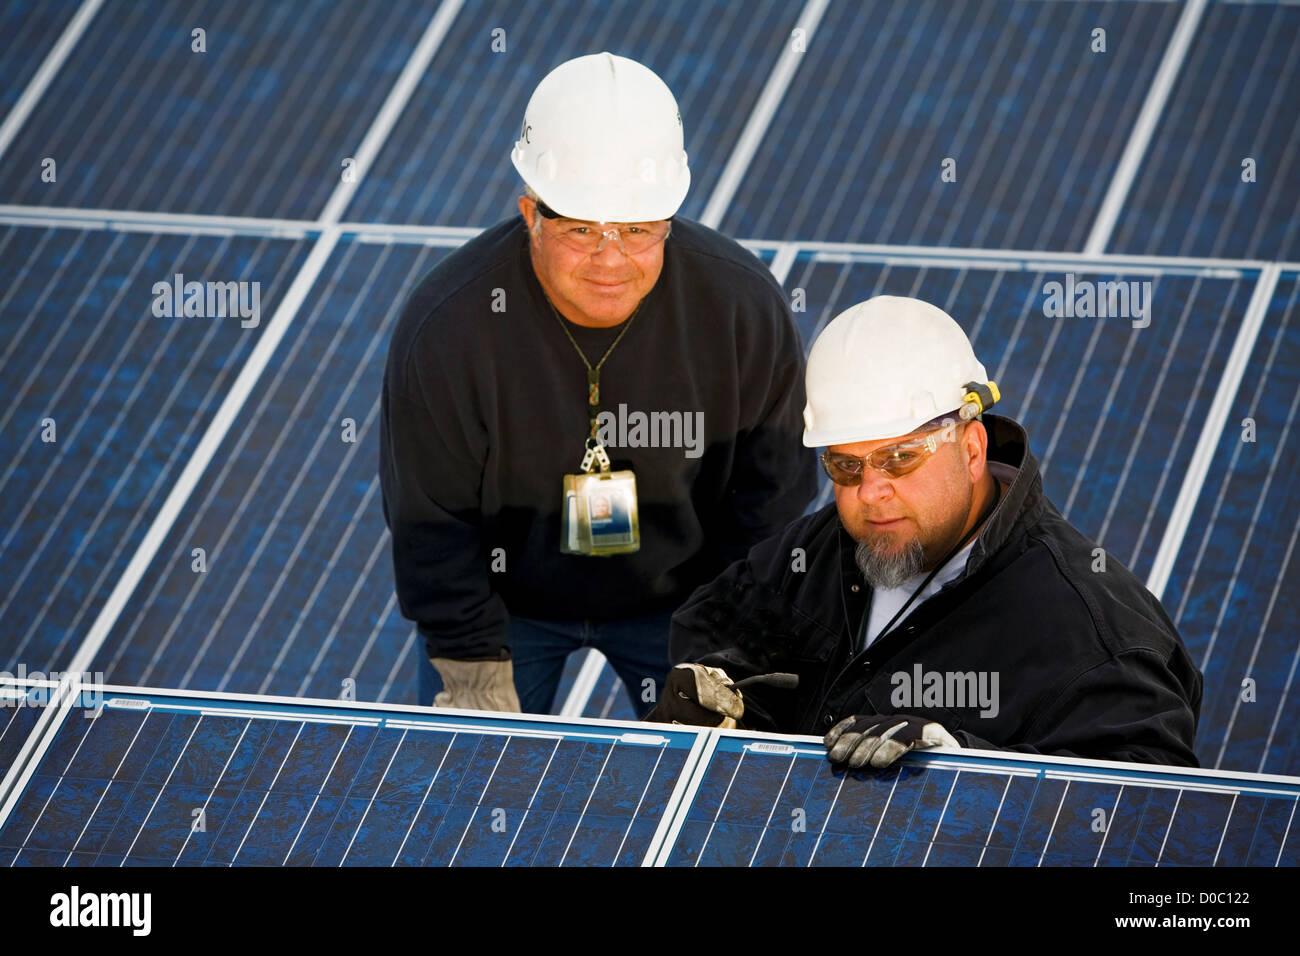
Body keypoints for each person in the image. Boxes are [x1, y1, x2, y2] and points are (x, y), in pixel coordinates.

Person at [378, 52, 817, 716]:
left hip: (685, 606)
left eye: (637, 231)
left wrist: (728, 645)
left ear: (668, 219)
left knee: (720, 800)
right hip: (505, 612)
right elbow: (430, 521)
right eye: (581, 229)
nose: (610, 260)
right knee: (467, 796)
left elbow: (773, 500)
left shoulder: (740, 311)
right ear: (532, 213)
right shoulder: (450, 328)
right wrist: (469, 664)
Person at [649, 295, 1202, 769]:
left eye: (900, 458)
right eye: (845, 466)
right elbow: (718, 627)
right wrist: (729, 697)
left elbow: (1141, 808)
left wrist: (963, 767)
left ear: (972, 449)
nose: (870, 493)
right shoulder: (817, 552)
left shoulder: (1091, 631)